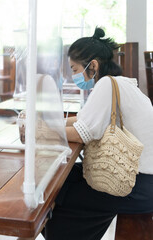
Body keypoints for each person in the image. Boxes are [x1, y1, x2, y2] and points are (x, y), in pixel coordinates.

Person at [43, 27, 153, 240]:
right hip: (138, 177)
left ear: (93, 65)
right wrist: (52, 122)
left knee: (61, 192)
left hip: (136, 184)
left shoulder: (106, 85)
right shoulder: (118, 83)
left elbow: (82, 133)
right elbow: (84, 118)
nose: (75, 76)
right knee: (65, 176)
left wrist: (43, 131)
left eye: (75, 69)